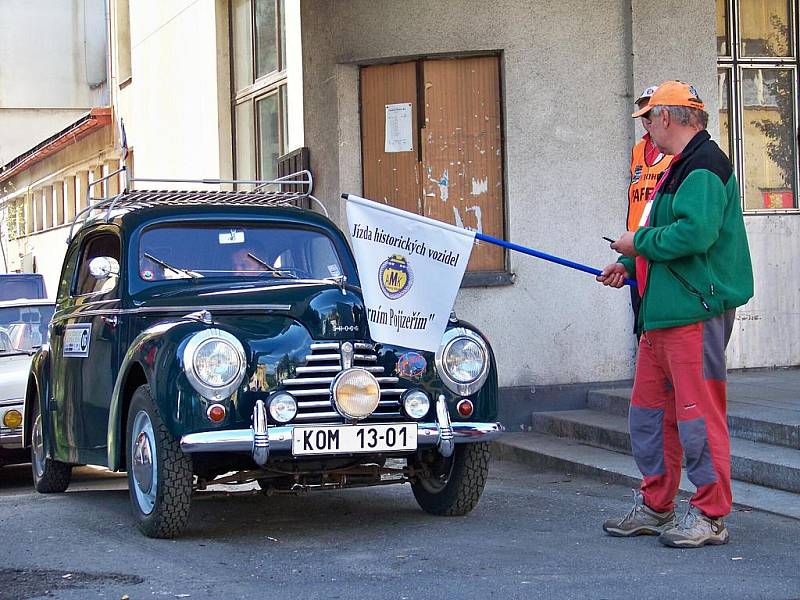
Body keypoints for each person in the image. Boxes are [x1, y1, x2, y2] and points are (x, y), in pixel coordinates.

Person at [596, 81, 753, 548]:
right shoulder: (680, 168)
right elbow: (664, 231)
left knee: (697, 417)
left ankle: (710, 515)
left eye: (646, 119)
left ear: (666, 118)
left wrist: (635, 245)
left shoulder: (703, 166)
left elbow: (695, 235)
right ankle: (657, 507)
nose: (644, 129)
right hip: (663, 315)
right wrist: (627, 264)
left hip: (693, 314)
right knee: (649, 416)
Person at [625, 85, 673, 334]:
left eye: (650, 112)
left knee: (663, 320)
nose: (646, 119)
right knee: (641, 318)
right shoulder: (637, 150)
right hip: (638, 242)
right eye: (643, 113)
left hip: (660, 242)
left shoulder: (675, 151)